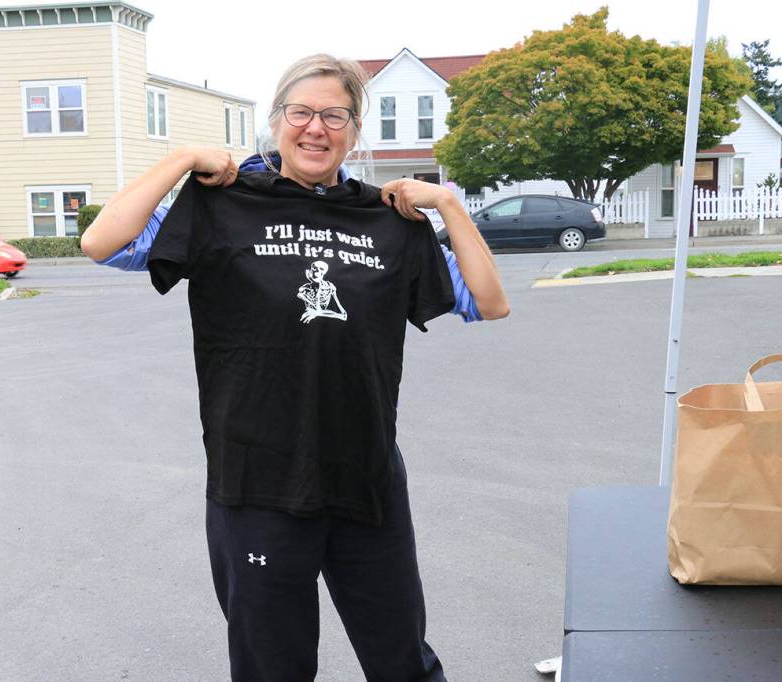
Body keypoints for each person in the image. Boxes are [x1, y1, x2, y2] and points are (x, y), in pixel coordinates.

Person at [82, 54, 508, 682]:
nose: (317, 128)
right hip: (257, 480)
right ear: (278, 121)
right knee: (273, 668)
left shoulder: (388, 220)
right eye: (301, 113)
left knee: (402, 661)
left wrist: (447, 202)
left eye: (334, 116)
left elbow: (489, 302)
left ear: (354, 130)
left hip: (365, 477)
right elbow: (101, 243)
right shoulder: (223, 205)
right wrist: (179, 162)